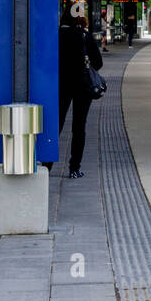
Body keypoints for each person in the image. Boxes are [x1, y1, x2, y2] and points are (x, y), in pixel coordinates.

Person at [58, 10, 102, 179]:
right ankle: (74, 168)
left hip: (62, 85)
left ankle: (47, 164)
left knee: (57, 124)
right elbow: (98, 62)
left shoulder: (57, 35)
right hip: (83, 87)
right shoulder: (85, 36)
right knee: (79, 127)